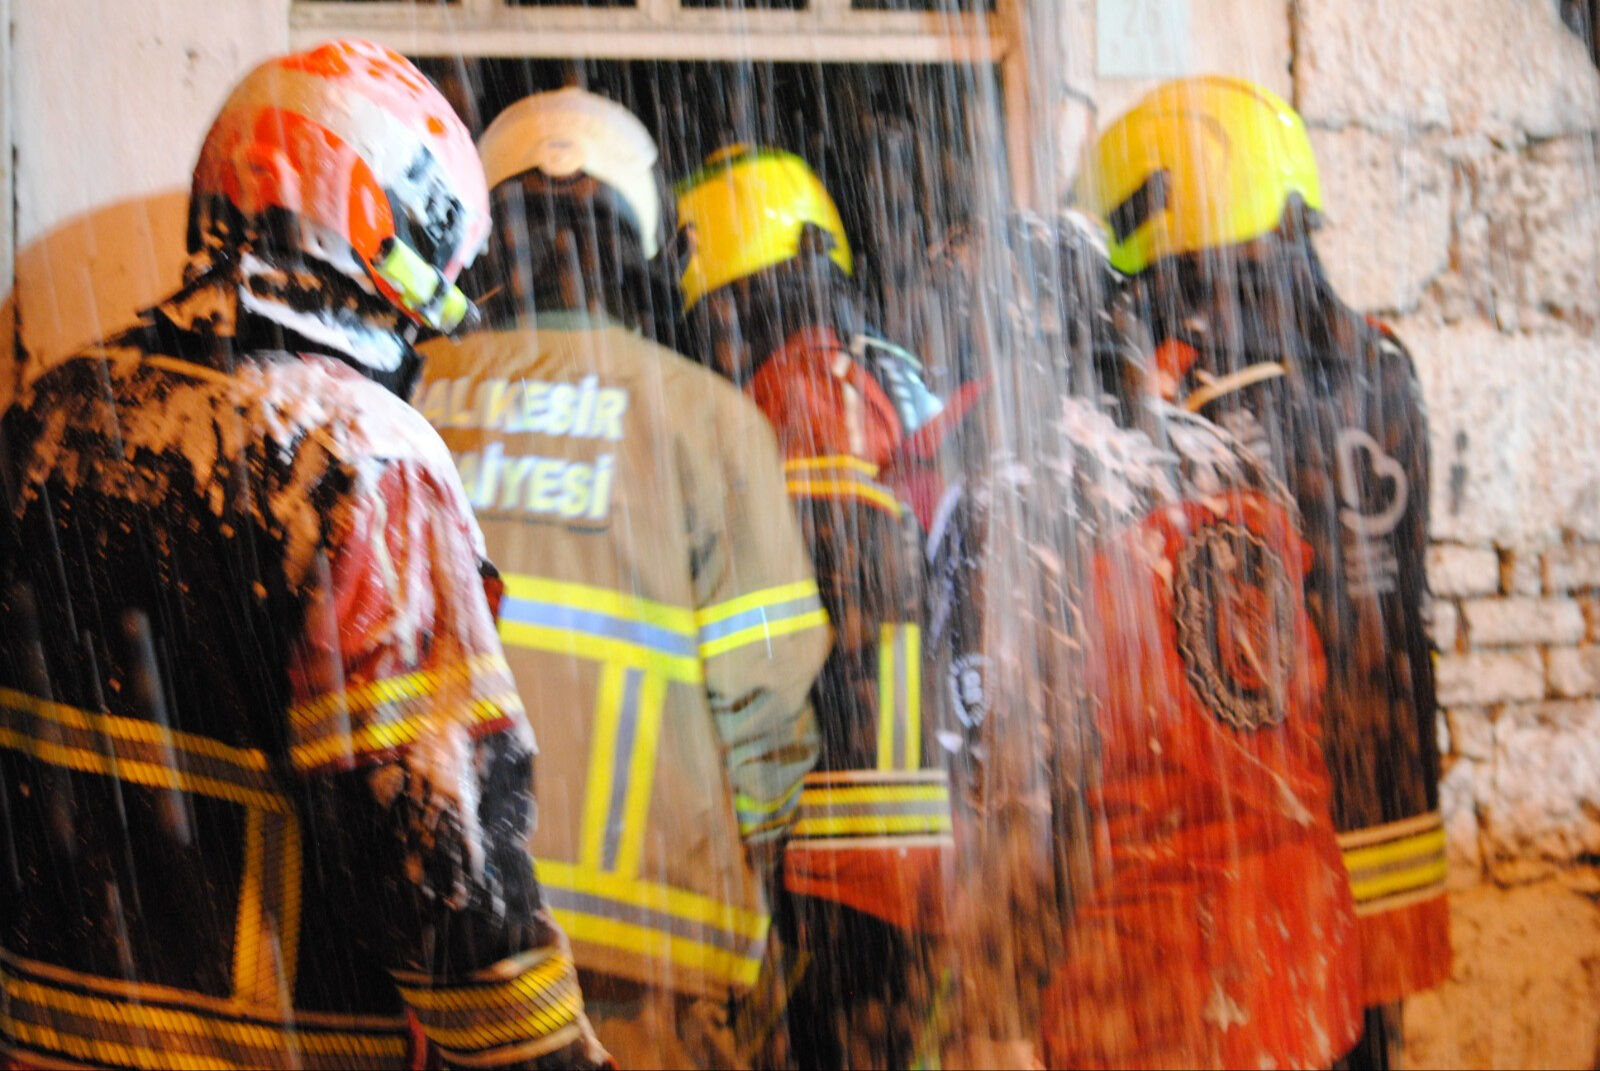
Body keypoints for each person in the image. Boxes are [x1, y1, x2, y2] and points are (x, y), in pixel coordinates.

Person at [0, 41, 605, 1071]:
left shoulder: (52, 412)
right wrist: (542, 1057)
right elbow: (431, 853)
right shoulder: (359, 459)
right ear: (391, 240)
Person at [414, 89, 829, 1070]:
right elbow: (765, 704)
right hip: (649, 958)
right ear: (650, 250)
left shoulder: (410, 398)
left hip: (440, 940)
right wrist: (760, 865)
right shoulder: (706, 420)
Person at [921, 209, 1364, 1070]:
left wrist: (1003, 1025)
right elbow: (1309, 705)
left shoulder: (1010, 500)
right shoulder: (1230, 459)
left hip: (1134, 988)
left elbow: (1012, 791)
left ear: (1008, 332)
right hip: (1292, 956)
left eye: (958, 322)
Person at [1077, 74, 1451, 1068]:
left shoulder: (1209, 397)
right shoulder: (1377, 361)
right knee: (1361, 1044)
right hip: (1390, 787)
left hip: (1282, 825)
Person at [675, 145, 952, 1070]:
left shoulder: (797, 394)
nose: (715, 340)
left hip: (835, 841)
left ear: (761, 290)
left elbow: (795, 632)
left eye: (718, 308)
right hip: (907, 830)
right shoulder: (896, 377)